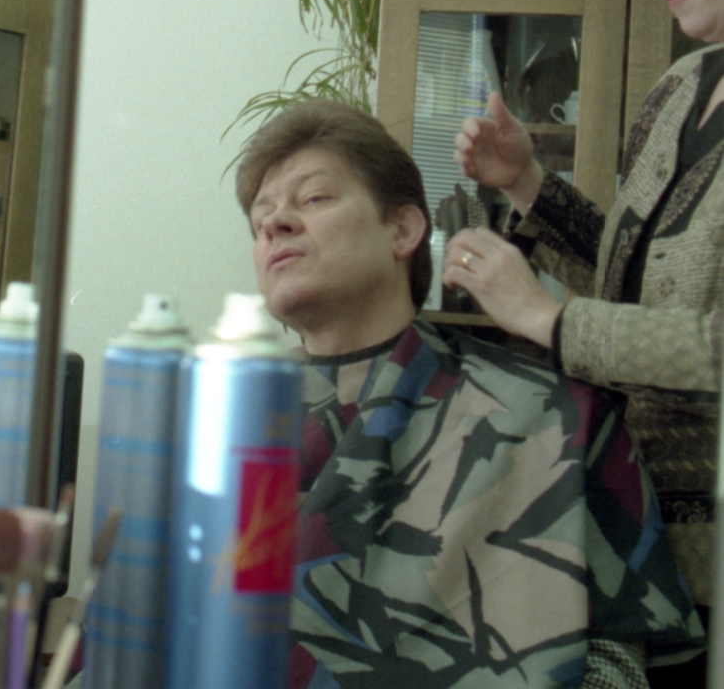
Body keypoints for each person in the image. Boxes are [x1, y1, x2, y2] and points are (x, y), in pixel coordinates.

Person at [238, 99, 704, 689]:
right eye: (261, 219)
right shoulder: (218, 422)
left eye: (314, 198)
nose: (276, 224)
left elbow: (618, 656)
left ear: (403, 230)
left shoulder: (551, 414)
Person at [449, 0, 724, 682]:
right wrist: (527, 183)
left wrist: (548, 320)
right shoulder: (679, 88)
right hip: (633, 525)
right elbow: (636, 281)